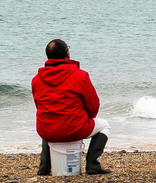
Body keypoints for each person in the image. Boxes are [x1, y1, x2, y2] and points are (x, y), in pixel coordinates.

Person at [32, 38, 109, 175]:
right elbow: (93, 108)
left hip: (46, 131)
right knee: (104, 125)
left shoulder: (36, 79)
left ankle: (44, 167)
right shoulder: (80, 76)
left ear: (48, 56)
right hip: (75, 129)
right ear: (67, 53)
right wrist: (84, 117)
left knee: (49, 121)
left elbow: (40, 107)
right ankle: (92, 164)